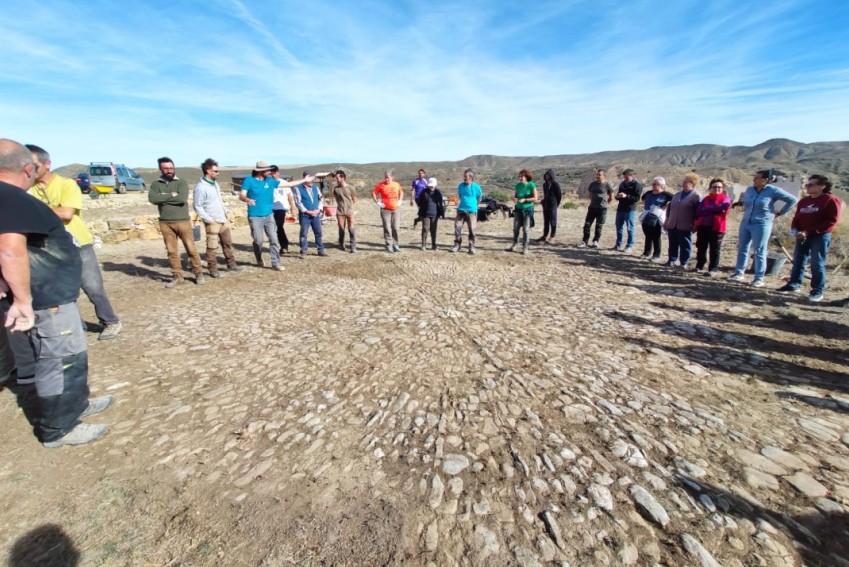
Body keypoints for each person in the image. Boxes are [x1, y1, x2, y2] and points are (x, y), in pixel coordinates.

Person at [0, 138, 112, 447]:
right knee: (59, 359)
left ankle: (77, 403)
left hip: (48, 295)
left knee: (66, 356)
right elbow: (9, 249)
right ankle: (59, 427)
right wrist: (22, 300)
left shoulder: (8, 197)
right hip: (45, 300)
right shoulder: (12, 197)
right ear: (27, 168)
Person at [26, 144, 122, 340]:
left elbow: (66, 213)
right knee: (61, 292)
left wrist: (35, 211)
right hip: (47, 248)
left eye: (34, 165)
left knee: (93, 288)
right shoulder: (28, 189)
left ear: (47, 164)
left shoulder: (67, 185)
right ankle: (75, 324)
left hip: (78, 245)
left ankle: (110, 322)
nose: (30, 170)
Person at [776, 174, 842, 302]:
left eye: (811, 185)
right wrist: (795, 229)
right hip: (802, 235)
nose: (807, 187)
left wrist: (809, 231)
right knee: (799, 261)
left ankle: (817, 291)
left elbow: (831, 221)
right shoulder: (804, 201)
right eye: (807, 184)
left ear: (822, 186)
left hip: (820, 236)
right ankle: (794, 284)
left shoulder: (830, 200)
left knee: (817, 263)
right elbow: (797, 217)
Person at [728, 170, 798, 287]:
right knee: (742, 248)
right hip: (746, 222)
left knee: (759, 250)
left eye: (757, 178)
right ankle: (739, 273)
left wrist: (779, 213)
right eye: (754, 178)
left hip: (762, 223)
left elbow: (793, 200)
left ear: (765, 180)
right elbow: (746, 202)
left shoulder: (773, 190)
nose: (754, 180)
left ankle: (759, 278)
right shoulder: (750, 189)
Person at [149, 157, 205, 287]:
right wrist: (171, 195)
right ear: (160, 169)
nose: (169, 171)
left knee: (191, 248)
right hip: (165, 222)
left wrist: (162, 197)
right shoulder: (155, 184)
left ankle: (198, 273)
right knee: (171, 251)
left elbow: (181, 198)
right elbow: (153, 199)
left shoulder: (181, 182)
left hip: (182, 221)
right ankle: (177, 276)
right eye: (166, 168)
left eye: (171, 168)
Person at [192, 158, 245, 278]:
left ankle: (231, 264)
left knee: (227, 243)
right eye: (215, 171)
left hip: (222, 219)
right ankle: (213, 269)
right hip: (213, 221)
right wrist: (208, 219)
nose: (218, 173)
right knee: (212, 246)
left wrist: (225, 213)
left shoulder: (215, 184)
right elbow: (197, 206)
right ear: (208, 171)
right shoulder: (200, 187)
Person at [240, 160, 283, 270]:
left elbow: (288, 184)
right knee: (258, 240)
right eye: (267, 170)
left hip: (269, 215)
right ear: (261, 171)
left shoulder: (270, 181)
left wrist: (304, 180)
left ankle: (276, 263)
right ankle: (258, 258)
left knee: (274, 239)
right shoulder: (249, 181)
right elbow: (242, 195)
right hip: (255, 216)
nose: (269, 171)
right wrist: (247, 199)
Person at [692, 178, 732, 276]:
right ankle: (699, 266)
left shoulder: (725, 199)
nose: (717, 189)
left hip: (717, 228)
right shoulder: (706, 199)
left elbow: (722, 208)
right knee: (701, 247)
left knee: (715, 249)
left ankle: (713, 269)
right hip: (703, 226)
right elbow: (699, 211)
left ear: (723, 188)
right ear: (710, 188)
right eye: (714, 187)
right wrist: (714, 210)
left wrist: (708, 209)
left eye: (719, 187)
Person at [663, 173, 702, 269]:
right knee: (673, 242)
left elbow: (698, 212)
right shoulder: (677, 194)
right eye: (684, 181)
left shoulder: (696, 196)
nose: (684, 183)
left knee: (685, 244)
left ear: (692, 183)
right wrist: (667, 219)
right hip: (673, 223)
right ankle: (671, 260)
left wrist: (696, 224)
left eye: (687, 181)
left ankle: (684, 262)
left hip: (685, 224)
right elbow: (670, 207)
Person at [293, 169, 327, 258]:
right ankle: (303, 250)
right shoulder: (298, 188)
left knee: (318, 232)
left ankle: (320, 249)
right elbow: (298, 202)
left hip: (316, 214)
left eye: (313, 179)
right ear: (305, 178)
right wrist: (307, 211)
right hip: (305, 215)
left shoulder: (315, 188)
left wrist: (319, 209)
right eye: (311, 178)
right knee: (304, 233)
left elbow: (321, 199)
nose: (313, 180)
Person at [639, 176, 674, 261]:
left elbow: (674, 200)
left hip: (657, 217)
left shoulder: (666, 194)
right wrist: (646, 206)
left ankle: (656, 255)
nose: (653, 186)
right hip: (647, 216)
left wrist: (665, 207)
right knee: (647, 235)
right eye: (653, 184)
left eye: (655, 184)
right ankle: (646, 252)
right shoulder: (648, 193)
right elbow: (643, 198)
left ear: (661, 185)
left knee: (656, 236)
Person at [507, 169, 538, 255]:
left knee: (526, 229)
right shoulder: (518, 185)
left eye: (522, 176)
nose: (520, 178)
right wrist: (515, 199)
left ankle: (525, 246)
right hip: (518, 209)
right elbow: (516, 196)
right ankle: (515, 243)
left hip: (528, 209)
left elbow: (535, 198)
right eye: (519, 176)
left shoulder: (531, 185)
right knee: (516, 228)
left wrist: (525, 199)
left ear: (526, 177)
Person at [580, 169, 613, 248]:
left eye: (599, 175)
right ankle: (584, 241)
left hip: (602, 209)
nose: (597, 176)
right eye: (597, 175)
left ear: (604, 176)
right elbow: (590, 194)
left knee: (598, 226)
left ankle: (595, 241)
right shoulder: (592, 184)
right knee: (587, 225)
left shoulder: (607, 185)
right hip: (592, 208)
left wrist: (605, 203)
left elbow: (611, 197)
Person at [452, 169, 483, 254]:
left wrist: (474, 206)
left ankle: (472, 246)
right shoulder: (460, 185)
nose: (464, 178)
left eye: (465, 176)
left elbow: (479, 198)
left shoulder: (476, 187)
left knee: (472, 229)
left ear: (470, 177)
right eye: (464, 176)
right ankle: (457, 244)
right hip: (461, 210)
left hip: (472, 211)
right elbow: (460, 195)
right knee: (457, 227)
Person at [372, 169, 404, 253]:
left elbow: (401, 192)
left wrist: (400, 201)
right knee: (387, 227)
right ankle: (389, 245)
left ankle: (396, 244)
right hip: (385, 210)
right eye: (385, 177)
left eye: (388, 178)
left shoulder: (396, 184)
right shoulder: (381, 185)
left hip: (396, 209)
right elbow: (374, 193)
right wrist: (378, 202)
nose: (386, 179)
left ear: (392, 177)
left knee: (396, 228)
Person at [613, 169, 643, 252]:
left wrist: (626, 196)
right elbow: (619, 195)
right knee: (619, 226)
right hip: (620, 208)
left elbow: (636, 199)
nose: (625, 178)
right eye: (624, 176)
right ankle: (618, 244)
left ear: (632, 176)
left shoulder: (637, 185)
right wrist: (617, 196)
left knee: (630, 228)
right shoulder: (622, 184)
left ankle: (629, 245)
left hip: (630, 209)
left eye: (627, 176)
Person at [270, 166, 296, 254]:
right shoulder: (268, 183)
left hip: (281, 208)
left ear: (278, 173)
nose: (273, 175)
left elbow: (290, 196)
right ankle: (277, 245)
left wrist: (292, 208)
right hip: (271, 208)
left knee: (278, 226)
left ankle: (284, 245)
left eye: (274, 173)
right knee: (272, 228)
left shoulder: (284, 183)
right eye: (271, 173)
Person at [332, 170, 357, 253]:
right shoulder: (336, 189)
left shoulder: (351, 188)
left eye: (338, 177)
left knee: (351, 229)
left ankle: (353, 247)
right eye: (336, 178)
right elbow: (336, 199)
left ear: (343, 178)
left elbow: (354, 199)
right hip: (340, 212)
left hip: (349, 211)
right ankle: (341, 244)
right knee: (341, 229)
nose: (336, 179)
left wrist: (349, 206)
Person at [416, 177, 444, 250]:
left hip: (435, 214)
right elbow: (419, 201)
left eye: (432, 185)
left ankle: (433, 245)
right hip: (425, 214)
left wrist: (442, 212)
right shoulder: (424, 192)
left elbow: (441, 203)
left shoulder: (438, 192)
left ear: (435, 185)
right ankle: (423, 244)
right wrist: (421, 208)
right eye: (430, 185)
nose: (431, 186)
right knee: (425, 228)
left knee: (433, 230)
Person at [538, 169, 562, 244]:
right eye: (546, 175)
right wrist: (543, 201)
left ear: (552, 176)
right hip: (545, 206)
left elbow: (559, 195)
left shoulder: (555, 184)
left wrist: (556, 204)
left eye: (548, 175)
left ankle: (552, 236)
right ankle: (544, 235)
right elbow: (546, 195)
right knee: (546, 222)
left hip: (552, 205)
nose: (547, 176)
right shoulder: (545, 184)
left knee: (553, 222)